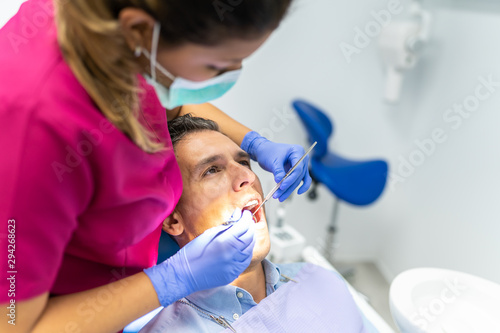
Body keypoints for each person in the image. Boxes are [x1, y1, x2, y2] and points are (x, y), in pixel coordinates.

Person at [0, 1, 312, 332]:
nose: (248, 178)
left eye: (243, 162)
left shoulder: (120, 36)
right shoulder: (32, 129)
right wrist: (171, 281)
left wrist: (253, 142)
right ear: (139, 30)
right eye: (215, 66)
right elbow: (14, 324)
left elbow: (167, 99)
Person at [139, 114, 374, 333]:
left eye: (244, 162)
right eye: (212, 170)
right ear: (172, 219)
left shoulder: (323, 282)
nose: (248, 177)